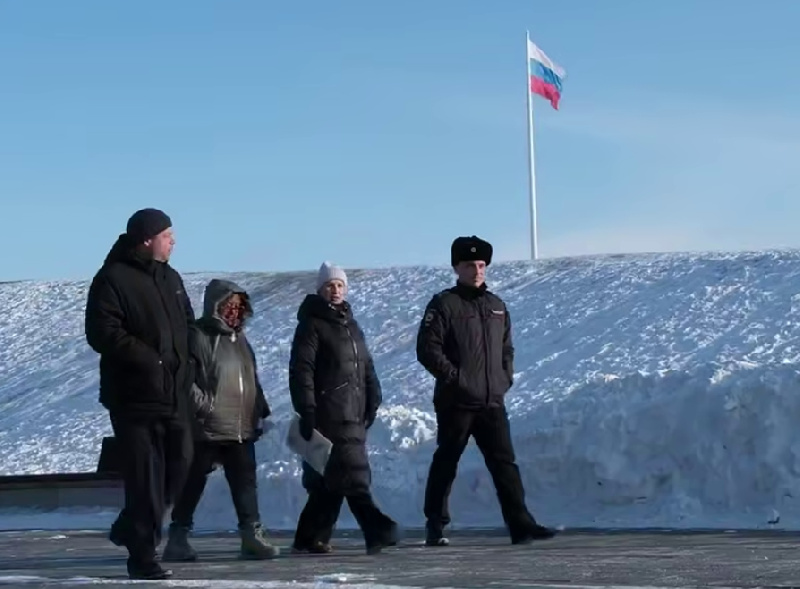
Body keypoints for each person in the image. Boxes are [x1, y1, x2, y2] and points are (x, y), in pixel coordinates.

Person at [416, 235, 556, 547]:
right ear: (457, 268)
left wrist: (504, 378)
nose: (477, 271)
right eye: (470, 265)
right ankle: (436, 524)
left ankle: (521, 524)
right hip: (456, 401)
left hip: (492, 400)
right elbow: (427, 349)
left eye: (481, 265)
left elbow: (507, 349)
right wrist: (456, 379)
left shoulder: (497, 306)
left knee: (505, 463)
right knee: (447, 460)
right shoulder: (444, 304)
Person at [84, 208, 195, 580]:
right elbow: (102, 332)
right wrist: (149, 359)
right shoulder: (112, 278)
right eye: (166, 235)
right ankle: (143, 558)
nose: (173, 241)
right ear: (147, 239)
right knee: (145, 479)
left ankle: (130, 525)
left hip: (174, 393)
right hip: (134, 396)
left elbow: (187, 324)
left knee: (181, 466)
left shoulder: (171, 277)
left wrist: (189, 364)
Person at [162, 279, 279, 561]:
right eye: (229, 306)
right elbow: (185, 380)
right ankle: (178, 537)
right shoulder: (198, 336)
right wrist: (204, 407)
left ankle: (251, 535)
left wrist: (261, 410)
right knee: (193, 482)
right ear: (215, 306)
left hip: (240, 426)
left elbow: (250, 378)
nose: (234, 312)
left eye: (238, 307)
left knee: (245, 483)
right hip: (207, 427)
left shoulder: (240, 340)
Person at [288, 262, 398, 555]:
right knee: (352, 476)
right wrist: (307, 408)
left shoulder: (351, 326)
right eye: (329, 285)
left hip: (354, 413)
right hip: (328, 413)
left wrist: (374, 397)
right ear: (320, 289)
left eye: (339, 285)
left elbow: (366, 365)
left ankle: (309, 537)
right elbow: (302, 370)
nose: (335, 290)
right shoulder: (312, 325)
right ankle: (378, 530)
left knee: (330, 482)